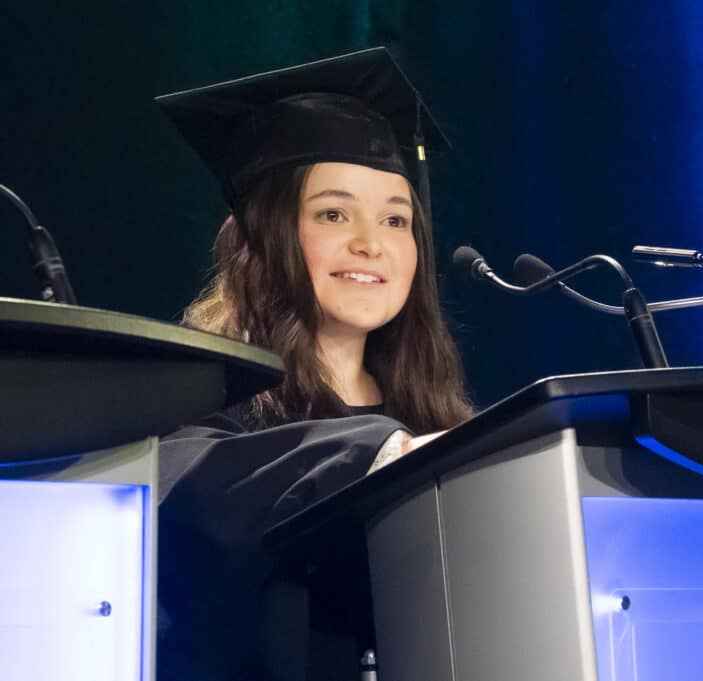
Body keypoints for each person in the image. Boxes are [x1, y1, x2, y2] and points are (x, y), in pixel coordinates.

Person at [154, 48, 472, 681]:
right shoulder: (199, 404)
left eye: (395, 219)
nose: (370, 242)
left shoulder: (440, 418)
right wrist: (388, 456)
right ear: (265, 236)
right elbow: (187, 496)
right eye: (333, 213)